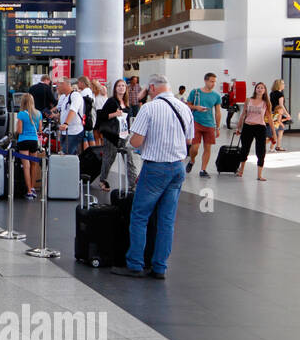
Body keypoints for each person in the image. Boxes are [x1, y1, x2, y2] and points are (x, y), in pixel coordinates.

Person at [111, 75, 194, 280]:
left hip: (156, 168)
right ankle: (160, 267)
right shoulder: (184, 108)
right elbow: (189, 140)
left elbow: (137, 142)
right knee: (167, 220)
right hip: (177, 168)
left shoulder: (149, 108)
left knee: (140, 216)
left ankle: (136, 264)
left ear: (151, 88)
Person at [95, 79, 136, 192]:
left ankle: (133, 183)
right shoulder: (111, 101)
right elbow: (102, 116)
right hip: (111, 135)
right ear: (115, 88)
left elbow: (128, 119)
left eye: (123, 86)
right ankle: (103, 180)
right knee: (109, 159)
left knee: (129, 159)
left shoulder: (127, 103)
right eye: (119, 86)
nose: (121, 88)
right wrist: (115, 114)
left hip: (124, 134)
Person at [183, 73, 222, 179]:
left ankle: (203, 169)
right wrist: (196, 107)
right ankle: (192, 160)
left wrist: (217, 127)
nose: (213, 83)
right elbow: (188, 106)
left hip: (209, 124)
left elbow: (218, 112)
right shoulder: (195, 92)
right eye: (211, 81)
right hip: (196, 122)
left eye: (214, 81)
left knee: (207, 147)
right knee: (195, 147)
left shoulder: (216, 96)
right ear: (205, 81)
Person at [237, 82, 274, 182]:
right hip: (248, 126)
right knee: (245, 149)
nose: (260, 89)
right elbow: (243, 114)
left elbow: (269, 118)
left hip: (260, 128)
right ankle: (241, 170)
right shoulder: (248, 100)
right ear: (255, 89)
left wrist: (273, 132)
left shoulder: (266, 103)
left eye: (262, 88)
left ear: (265, 90)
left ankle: (259, 175)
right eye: (258, 87)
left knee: (261, 151)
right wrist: (238, 127)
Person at [13, 93, 42, 198]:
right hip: (34, 141)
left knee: (26, 166)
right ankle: (33, 187)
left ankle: (29, 191)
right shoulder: (38, 113)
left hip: (23, 141)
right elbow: (39, 130)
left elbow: (19, 131)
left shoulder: (21, 114)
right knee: (34, 165)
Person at [56, 79, 86, 156]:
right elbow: (65, 112)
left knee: (66, 156)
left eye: (58, 85)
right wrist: (55, 116)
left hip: (74, 132)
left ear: (64, 84)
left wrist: (66, 123)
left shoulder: (75, 95)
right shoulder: (65, 97)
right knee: (65, 155)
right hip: (66, 132)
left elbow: (73, 110)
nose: (57, 88)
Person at [269, 79, 292, 152]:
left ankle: (275, 145)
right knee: (280, 130)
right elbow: (281, 105)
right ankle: (277, 146)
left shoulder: (271, 93)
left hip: (273, 113)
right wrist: (287, 114)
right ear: (279, 85)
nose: (284, 85)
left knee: (277, 130)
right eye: (283, 83)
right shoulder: (280, 94)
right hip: (279, 113)